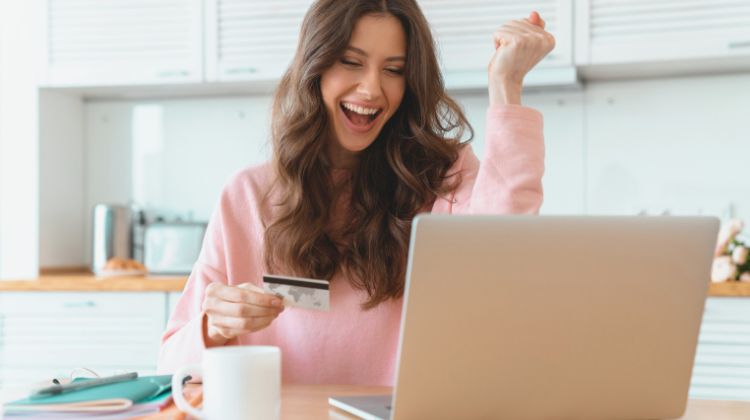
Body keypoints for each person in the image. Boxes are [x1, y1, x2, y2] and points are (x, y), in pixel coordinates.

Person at [158, 0, 554, 385]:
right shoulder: (247, 195)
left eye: (394, 70)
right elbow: (172, 363)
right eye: (351, 62)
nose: (371, 89)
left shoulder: (442, 178)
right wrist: (215, 326)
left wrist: (506, 85)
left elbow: (504, 250)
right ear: (315, 65)